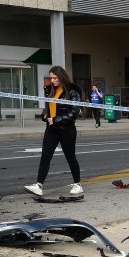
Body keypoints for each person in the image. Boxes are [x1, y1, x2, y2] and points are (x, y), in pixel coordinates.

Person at [24, 66, 83, 197]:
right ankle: (38, 185)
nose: (52, 80)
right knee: (45, 156)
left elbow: (74, 112)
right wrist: (44, 115)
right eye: (51, 78)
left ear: (62, 77)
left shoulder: (72, 91)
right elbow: (48, 107)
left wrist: (55, 120)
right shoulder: (50, 89)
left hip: (66, 129)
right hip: (51, 129)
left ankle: (78, 184)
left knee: (70, 157)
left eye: (55, 78)